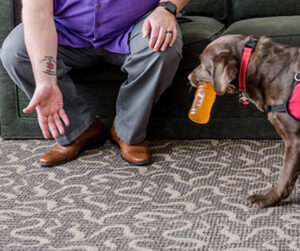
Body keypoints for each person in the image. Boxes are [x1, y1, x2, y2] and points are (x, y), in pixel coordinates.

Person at [0, 0, 188, 167]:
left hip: (135, 26)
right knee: (15, 52)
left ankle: (127, 133)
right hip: (65, 32)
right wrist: (45, 81)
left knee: (163, 48)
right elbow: (37, 13)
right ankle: (79, 130)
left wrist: (167, 9)